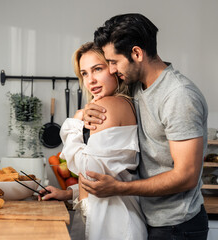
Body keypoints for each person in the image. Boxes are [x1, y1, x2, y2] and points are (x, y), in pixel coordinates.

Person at [81, 13, 209, 239]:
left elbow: (186, 175)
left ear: (137, 53)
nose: (111, 70)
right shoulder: (137, 86)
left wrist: (119, 188)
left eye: (113, 62)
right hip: (151, 219)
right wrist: (85, 111)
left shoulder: (178, 96)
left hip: (179, 227)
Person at [41, 42, 147, 240]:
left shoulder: (108, 105)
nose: (91, 80)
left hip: (114, 224)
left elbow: (90, 169)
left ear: (114, 69)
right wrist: (69, 193)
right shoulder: (121, 103)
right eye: (84, 73)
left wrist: (74, 122)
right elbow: (111, 173)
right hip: (111, 218)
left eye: (97, 69)